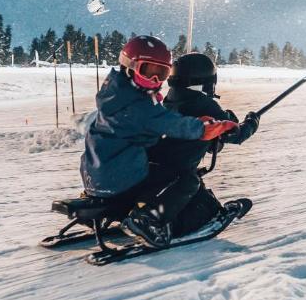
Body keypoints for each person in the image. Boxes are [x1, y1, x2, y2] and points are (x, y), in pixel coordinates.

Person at [80, 35, 237, 247]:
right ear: (129, 65)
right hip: (122, 177)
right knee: (186, 180)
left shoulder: (116, 95)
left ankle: (118, 210)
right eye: (148, 71)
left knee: (156, 164)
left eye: (161, 73)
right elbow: (169, 123)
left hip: (95, 176)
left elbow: (156, 121)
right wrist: (202, 129)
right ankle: (148, 220)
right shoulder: (138, 106)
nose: (155, 81)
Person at [147, 52, 258, 235]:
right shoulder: (204, 104)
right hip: (178, 171)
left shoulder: (167, 100)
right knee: (205, 211)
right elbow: (235, 134)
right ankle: (167, 220)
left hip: (154, 168)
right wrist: (252, 123)